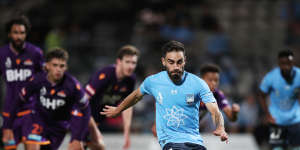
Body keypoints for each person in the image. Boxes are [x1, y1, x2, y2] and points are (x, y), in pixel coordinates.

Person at [101, 40, 228, 150]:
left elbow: (215, 111)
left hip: (195, 143)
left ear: (185, 61)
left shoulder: (198, 84)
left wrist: (220, 127)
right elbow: (135, 96)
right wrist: (118, 110)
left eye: (179, 62)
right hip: (171, 143)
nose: (176, 67)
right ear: (163, 62)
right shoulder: (153, 81)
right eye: (171, 62)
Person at [18, 48, 89, 150]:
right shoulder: (37, 80)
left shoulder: (72, 85)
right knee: (32, 146)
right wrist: (16, 123)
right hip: (38, 121)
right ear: (47, 66)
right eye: (55, 65)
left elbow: (86, 109)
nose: (58, 69)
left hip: (58, 127)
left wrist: (78, 138)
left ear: (66, 67)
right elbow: (20, 100)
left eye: (62, 66)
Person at [82, 45, 139, 150]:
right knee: (90, 146)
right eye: (127, 62)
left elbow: (127, 104)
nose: (131, 66)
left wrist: (126, 132)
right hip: (83, 118)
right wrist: (94, 128)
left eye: (133, 63)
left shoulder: (130, 80)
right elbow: (83, 102)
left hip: (96, 121)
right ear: (119, 61)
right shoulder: (105, 75)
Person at [0, 15, 44, 149]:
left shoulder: (35, 53)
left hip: (30, 112)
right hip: (9, 114)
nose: (19, 36)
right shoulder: (2, 54)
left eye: (22, 33)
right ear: (9, 34)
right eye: (15, 33)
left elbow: (43, 79)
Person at [259, 49, 300, 150]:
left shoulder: (299, 75)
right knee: (277, 148)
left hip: (295, 119)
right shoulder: (271, 77)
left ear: (292, 63)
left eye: (289, 63)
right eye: (283, 63)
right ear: (279, 64)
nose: (286, 66)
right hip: (276, 121)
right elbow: (261, 95)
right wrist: (267, 114)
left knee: (296, 147)